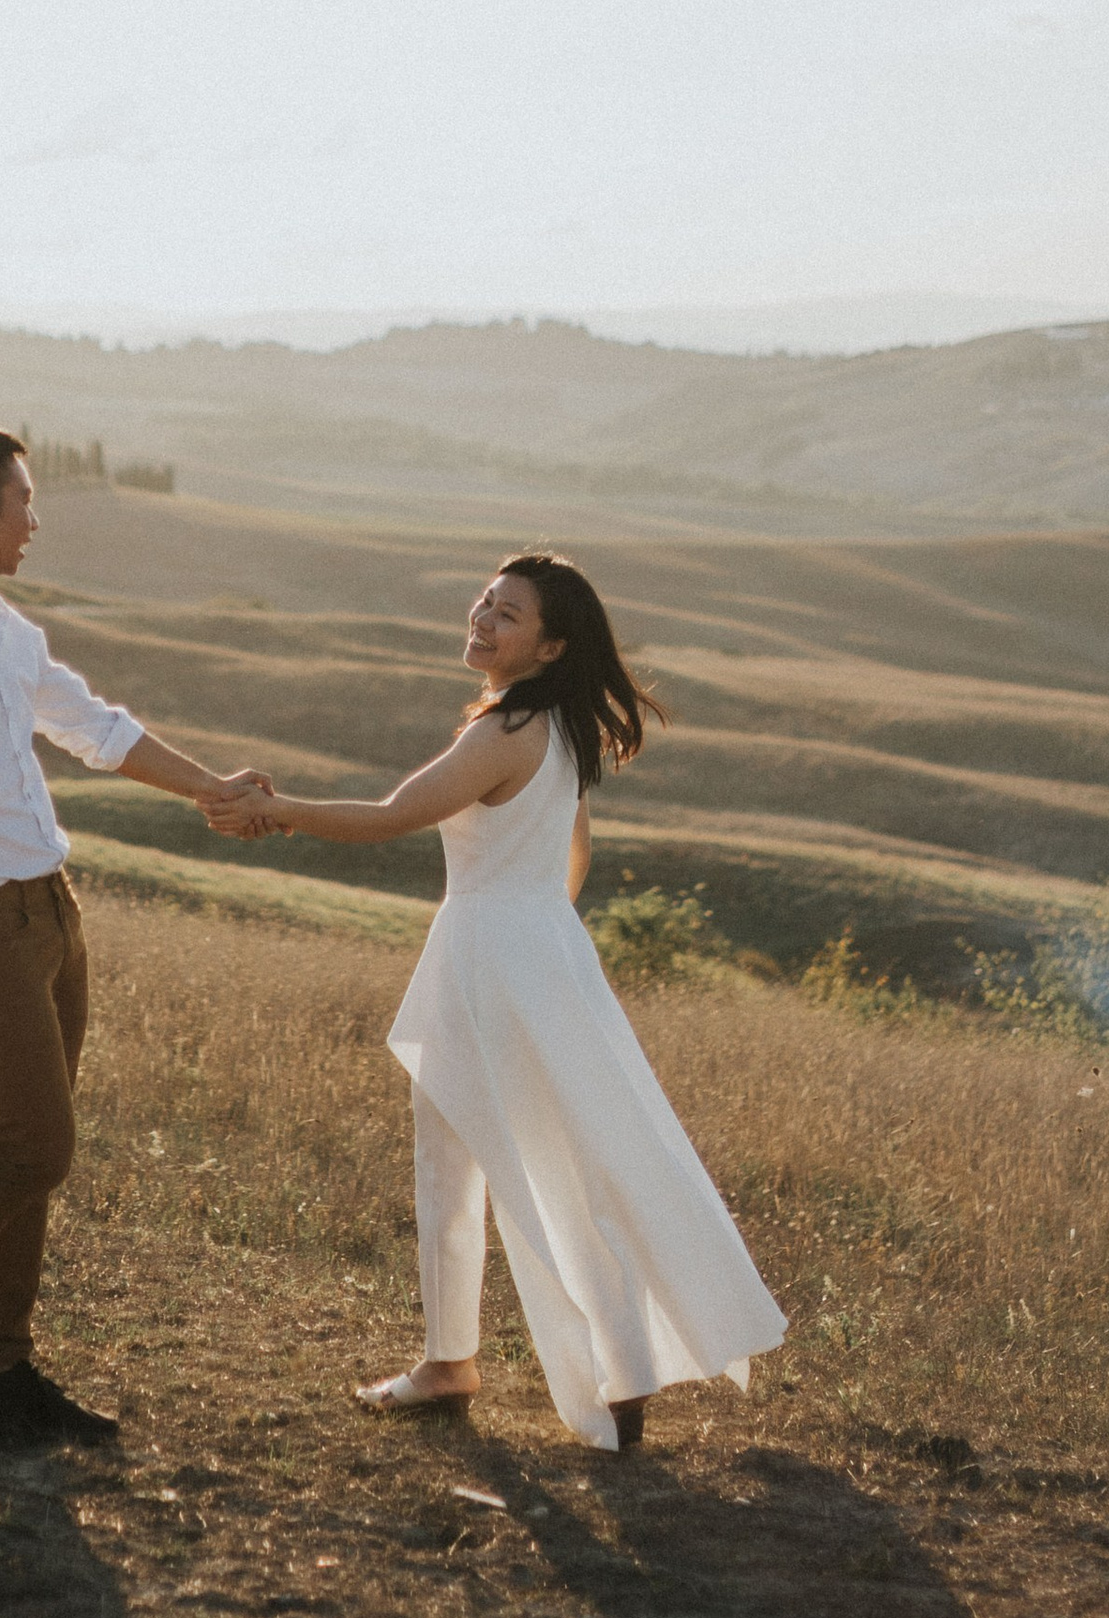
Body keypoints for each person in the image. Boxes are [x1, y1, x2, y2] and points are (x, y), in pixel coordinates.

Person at [205, 550, 785, 1449]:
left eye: (506, 614)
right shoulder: (556, 731)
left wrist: (275, 811)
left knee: (455, 1160)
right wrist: (535, 921)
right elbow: (573, 850)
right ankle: (616, 1374)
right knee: (573, 1154)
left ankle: (454, 1364)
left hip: (487, 952)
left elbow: (393, 814)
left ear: (549, 647)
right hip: (543, 951)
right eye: (484, 601)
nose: (482, 618)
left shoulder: (504, 729)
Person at [0, 422, 272, 1452]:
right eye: (23, 501)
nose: (35, 519)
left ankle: (1, 1375)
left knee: (26, 1156)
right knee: (36, 1146)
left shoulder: (0, 630)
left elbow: (94, 726)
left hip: (50, 913)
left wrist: (210, 787)